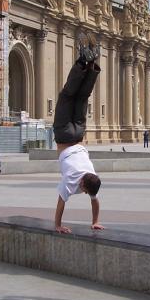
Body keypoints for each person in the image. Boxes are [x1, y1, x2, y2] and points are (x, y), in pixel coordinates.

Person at [53, 43, 104, 234]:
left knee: (82, 97)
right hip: (64, 136)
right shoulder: (72, 181)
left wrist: (96, 221)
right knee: (67, 96)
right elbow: (60, 203)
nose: (83, 192)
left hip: (79, 135)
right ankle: (82, 61)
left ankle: (90, 65)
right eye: (85, 190)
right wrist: (58, 225)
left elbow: (95, 200)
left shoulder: (92, 175)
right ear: (83, 184)